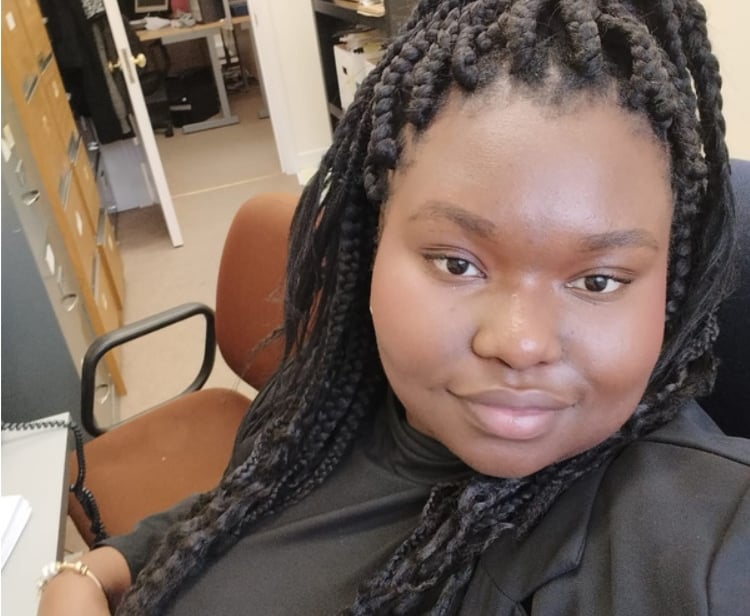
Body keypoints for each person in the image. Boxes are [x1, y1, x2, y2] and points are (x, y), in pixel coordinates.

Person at [38, 0, 749, 614]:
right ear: (376, 241)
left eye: (597, 281)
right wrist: (88, 575)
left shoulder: (695, 538)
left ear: (673, 286)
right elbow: (239, 504)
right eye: (457, 263)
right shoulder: (333, 396)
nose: (520, 343)